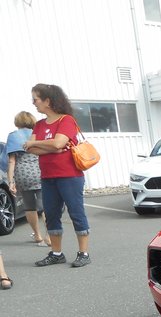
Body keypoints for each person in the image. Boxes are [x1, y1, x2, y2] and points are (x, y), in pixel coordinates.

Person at [23, 83, 91, 268]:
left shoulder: (66, 120)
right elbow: (32, 148)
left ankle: (83, 253)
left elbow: (58, 143)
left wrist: (47, 145)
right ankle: (56, 253)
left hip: (70, 176)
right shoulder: (39, 124)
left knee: (76, 213)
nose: (33, 103)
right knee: (51, 215)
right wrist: (52, 146)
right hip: (47, 177)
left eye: (35, 99)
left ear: (48, 100)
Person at [6, 111, 49, 247]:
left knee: (30, 207)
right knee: (46, 207)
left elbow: (11, 161)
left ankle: (37, 235)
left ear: (17, 122)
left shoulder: (13, 136)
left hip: (23, 175)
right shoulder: (38, 134)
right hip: (41, 172)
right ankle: (49, 236)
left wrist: (11, 181)